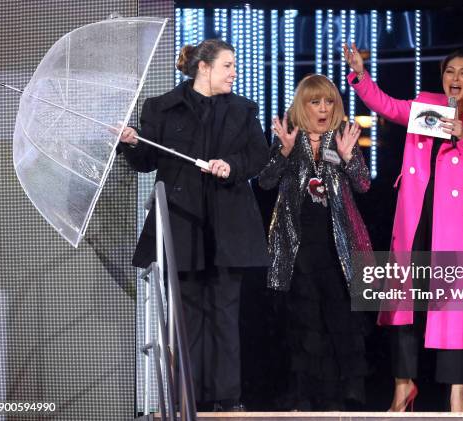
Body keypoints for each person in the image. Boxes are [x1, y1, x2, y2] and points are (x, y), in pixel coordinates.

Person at [343, 43, 463, 412]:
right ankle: (402, 386)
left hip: (455, 221)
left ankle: (457, 393)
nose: (454, 78)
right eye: (449, 72)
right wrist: (361, 76)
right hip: (416, 215)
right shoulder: (427, 104)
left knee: (454, 307)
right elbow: (387, 106)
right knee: (403, 302)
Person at [119, 38, 269, 411]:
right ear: (204, 67)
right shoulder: (162, 109)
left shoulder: (242, 110)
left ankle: (226, 399)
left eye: (234, 66)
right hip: (182, 226)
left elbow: (258, 156)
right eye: (227, 66)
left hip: (228, 229)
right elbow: (147, 160)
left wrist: (230, 165)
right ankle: (190, 397)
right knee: (186, 318)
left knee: (223, 314)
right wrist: (130, 143)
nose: (234, 73)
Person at [259, 74, 372, 411]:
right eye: (315, 102)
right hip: (297, 247)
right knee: (306, 325)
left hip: (337, 247)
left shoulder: (341, 138)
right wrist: (284, 152)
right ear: (302, 105)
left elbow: (364, 185)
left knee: (341, 319)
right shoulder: (289, 138)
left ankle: (345, 397)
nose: (323, 109)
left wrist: (349, 157)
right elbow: (264, 182)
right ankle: (308, 397)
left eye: (329, 102)